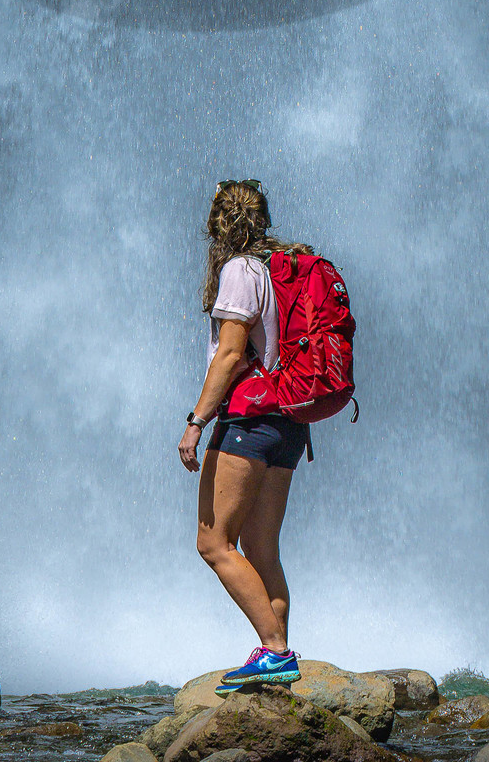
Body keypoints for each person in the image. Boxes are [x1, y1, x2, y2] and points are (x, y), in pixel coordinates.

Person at [177, 178, 307, 690]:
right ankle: (278, 663)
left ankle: (275, 652)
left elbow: (231, 353)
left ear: (219, 225)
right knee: (262, 548)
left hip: (248, 420)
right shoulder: (282, 268)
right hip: (289, 420)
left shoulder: (240, 270)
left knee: (213, 542)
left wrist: (196, 421)